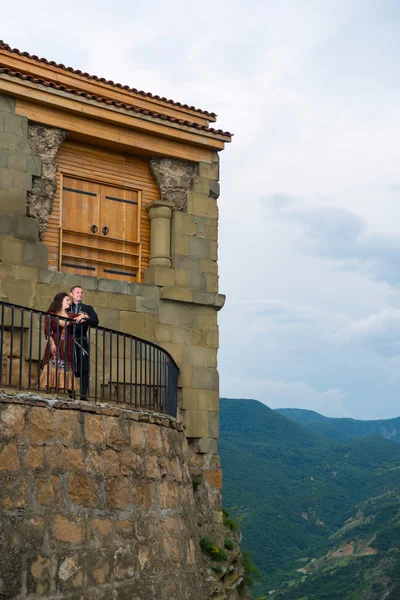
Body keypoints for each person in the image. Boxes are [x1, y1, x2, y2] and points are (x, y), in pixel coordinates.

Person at [40, 292, 76, 392]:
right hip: (55, 343)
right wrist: (52, 344)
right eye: (67, 300)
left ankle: (59, 393)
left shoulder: (70, 315)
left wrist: (82, 317)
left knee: (65, 368)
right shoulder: (51, 315)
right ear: (61, 301)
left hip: (67, 346)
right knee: (53, 366)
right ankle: (50, 393)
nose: (69, 302)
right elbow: (48, 331)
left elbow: (84, 317)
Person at [69, 286, 99, 400]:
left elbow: (95, 321)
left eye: (81, 292)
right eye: (77, 292)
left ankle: (83, 395)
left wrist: (85, 318)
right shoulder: (68, 307)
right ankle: (71, 394)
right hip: (70, 339)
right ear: (71, 294)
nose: (80, 294)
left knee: (84, 368)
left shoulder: (87, 308)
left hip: (82, 340)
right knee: (70, 367)